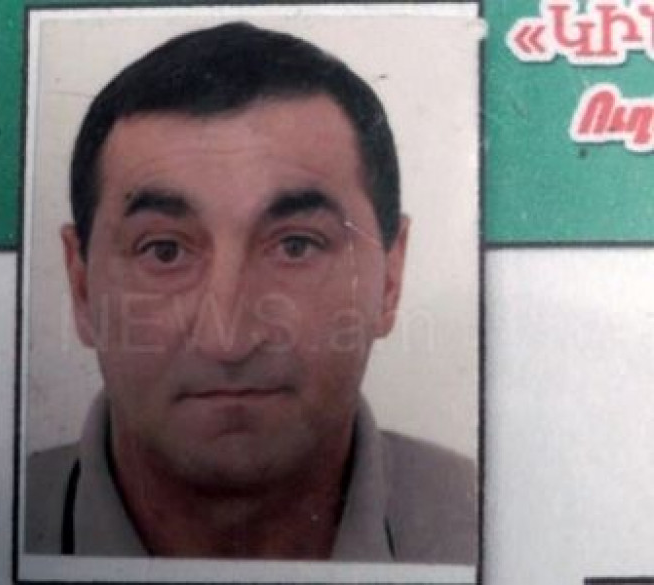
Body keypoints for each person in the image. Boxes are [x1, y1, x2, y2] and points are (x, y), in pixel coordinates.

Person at [26, 21, 477, 563]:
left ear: (390, 276)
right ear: (81, 288)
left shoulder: (501, 526)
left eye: (295, 246)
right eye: (164, 251)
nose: (228, 340)